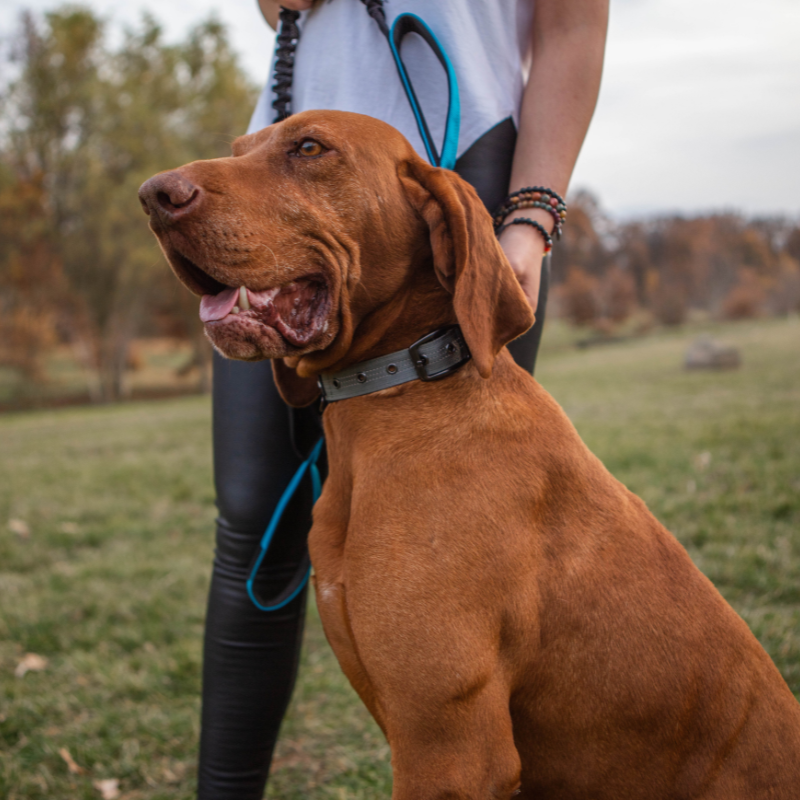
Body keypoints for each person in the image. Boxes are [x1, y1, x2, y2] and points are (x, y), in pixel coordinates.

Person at [198, 1, 609, 797]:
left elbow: (573, 28)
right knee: (251, 522)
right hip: (285, 157)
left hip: (466, 150)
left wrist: (530, 216)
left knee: (458, 538)